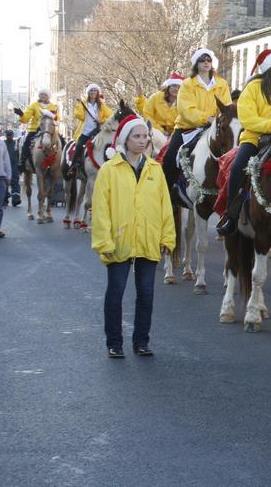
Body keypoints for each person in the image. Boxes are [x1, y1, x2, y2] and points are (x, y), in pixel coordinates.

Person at [91, 115, 176, 358]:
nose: (142, 140)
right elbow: (100, 209)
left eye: (145, 136)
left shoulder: (155, 170)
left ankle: (141, 342)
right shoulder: (109, 170)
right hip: (119, 240)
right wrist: (103, 241)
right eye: (136, 136)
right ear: (125, 140)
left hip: (148, 240)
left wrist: (167, 238)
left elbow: (164, 207)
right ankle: (114, 343)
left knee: (146, 294)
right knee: (116, 292)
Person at [217, 48, 271, 236]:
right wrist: (269, 125)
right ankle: (231, 217)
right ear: (270, 66)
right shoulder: (252, 87)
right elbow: (246, 117)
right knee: (237, 168)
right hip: (255, 139)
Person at [162, 48, 233, 188]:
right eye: (202, 60)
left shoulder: (222, 84)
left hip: (215, 126)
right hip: (187, 127)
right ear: (196, 64)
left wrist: (219, 119)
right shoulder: (187, 84)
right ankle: (168, 192)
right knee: (170, 158)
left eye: (209, 60)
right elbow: (185, 109)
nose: (206, 63)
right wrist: (206, 119)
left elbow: (226, 106)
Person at [68, 83, 113, 175]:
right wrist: (78, 104)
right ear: (88, 93)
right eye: (91, 91)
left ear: (97, 93)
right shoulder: (83, 103)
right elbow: (79, 115)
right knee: (79, 146)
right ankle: (74, 166)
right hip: (85, 132)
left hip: (97, 132)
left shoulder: (102, 105)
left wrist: (101, 120)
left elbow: (111, 116)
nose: (93, 92)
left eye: (95, 91)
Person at [14, 88, 59, 172]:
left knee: (61, 141)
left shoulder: (53, 106)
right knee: (26, 143)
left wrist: (54, 117)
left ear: (48, 96)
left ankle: (61, 162)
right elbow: (26, 118)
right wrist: (21, 114)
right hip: (35, 128)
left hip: (49, 129)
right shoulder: (34, 105)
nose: (43, 96)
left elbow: (56, 118)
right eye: (41, 94)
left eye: (45, 95)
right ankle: (22, 162)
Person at [3, 130, 20, 206]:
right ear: (6, 136)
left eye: (10, 135)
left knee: (15, 182)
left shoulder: (16, 144)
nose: (9, 136)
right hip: (4, 167)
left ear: (13, 135)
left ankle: (15, 199)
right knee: (4, 183)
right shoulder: (3, 144)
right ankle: (4, 199)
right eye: (8, 135)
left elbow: (19, 154)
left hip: (14, 166)